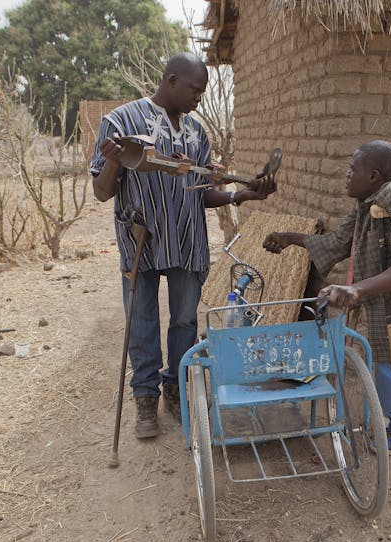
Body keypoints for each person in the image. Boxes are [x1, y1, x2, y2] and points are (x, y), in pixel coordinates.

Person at [90, 53, 276, 439]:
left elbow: (203, 195)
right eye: (195, 89)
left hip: (188, 242)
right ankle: (145, 399)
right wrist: (113, 162)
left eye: (203, 92)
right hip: (140, 241)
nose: (199, 98)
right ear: (171, 81)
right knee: (141, 322)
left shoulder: (197, 133)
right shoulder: (121, 122)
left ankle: (175, 387)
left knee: (185, 321)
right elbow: (102, 192)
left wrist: (242, 196)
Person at [263, 140, 391, 453]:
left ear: (374, 175)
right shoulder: (368, 201)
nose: (346, 174)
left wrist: (355, 290)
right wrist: (289, 239)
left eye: (353, 168)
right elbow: (340, 243)